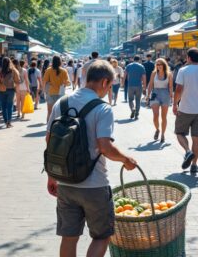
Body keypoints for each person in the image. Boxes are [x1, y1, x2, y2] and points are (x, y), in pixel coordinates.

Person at [46, 60, 137, 257]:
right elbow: (105, 146)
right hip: (94, 184)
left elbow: (50, 141)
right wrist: (125, 159)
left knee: (69, 237)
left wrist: (52, 177)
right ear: (104, 82)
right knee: (101, 236)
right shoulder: (102, 109)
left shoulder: (61, 103)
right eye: (111, 85)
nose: (109, 89)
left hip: (66, 183)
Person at [146, 58, 173, 143]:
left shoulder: (169, 74)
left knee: (164, 117)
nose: (158, 66)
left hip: (165, 94)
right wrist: (147, 95)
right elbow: (150, 84)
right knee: (155, 116)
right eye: (157, 64)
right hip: (155, 93)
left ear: (164, 65)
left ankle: (162, 135)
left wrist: (171, 97)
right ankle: (157, 129)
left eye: (160, 64)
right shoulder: (154, 73)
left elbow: (171, 86)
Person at [43, 55, 70, 122]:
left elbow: (44, 81)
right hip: (60, 93)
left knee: (49, 111)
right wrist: (63, 83)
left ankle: (48, 127)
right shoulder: (64, 71)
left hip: (50, 92)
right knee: (59, 111)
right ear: (60, 62)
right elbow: (68, 83)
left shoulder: (48, 70)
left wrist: (44, 91)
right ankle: (57, 126)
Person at [0, 58, 20, 128]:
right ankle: (9, 122)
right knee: (10, 106)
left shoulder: (1, 71)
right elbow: (18, 80)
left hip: (2, 90)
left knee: (3, 106)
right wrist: (17, 89)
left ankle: (5, 121)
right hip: (11, 90)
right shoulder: (13, 70)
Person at [124, 56, 146, 120]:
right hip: (139, 86)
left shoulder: (129, 66)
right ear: (139, 60)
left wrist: (122, 83)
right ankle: (136, 114)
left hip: (130, 85)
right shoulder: (141, 66)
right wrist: (144, 87)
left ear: (133, 59)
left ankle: (132, 109)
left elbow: (125, 74)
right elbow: (144, 77)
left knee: (130, 100)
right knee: (138, 100)